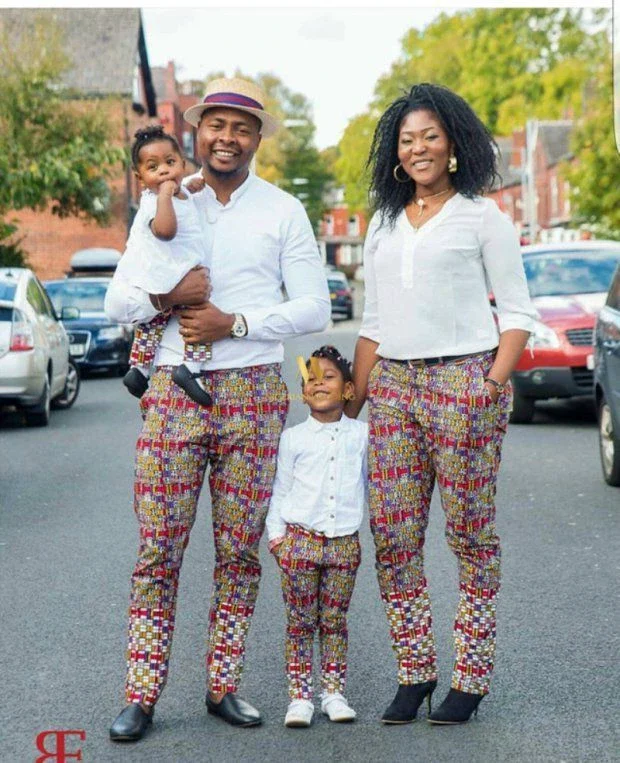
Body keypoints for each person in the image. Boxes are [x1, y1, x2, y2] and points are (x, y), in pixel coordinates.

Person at [105, 77, 331, 741]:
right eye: (216, 126)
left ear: (256, 138)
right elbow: (118, 301)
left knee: (239, 551)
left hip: (254, 393)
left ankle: (223, 684)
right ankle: (142, 693)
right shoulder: (161, 201)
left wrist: (234, 322)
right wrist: (167, 296)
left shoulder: (283, 210)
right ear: (196, 132)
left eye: (242, 128)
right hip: (175, 392)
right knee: (158, 549)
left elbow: (314, 306)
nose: (226, 138)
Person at [346, 83, 538, 726]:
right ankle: (414, 671)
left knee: (470, 537)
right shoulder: (382, 223)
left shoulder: (482, 218)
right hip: (394, 390)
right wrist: (354, 397)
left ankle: (471, 677)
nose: (419, 147)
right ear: (395, 156)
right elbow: (373, 319)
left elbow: (515, 312)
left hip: (465, 383)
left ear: (452, 145)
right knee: (395, 537)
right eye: (407, 140)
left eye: (430, 135)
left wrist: (491, 384)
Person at [266, 345, 367, 728]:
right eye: (311, 378)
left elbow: (371, 483)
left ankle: (334, 693)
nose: (319, 383)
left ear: (347, 390)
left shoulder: (362, 436)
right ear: (303, 390)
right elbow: (280, 488)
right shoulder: (292, 438)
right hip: (299, 542)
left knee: (335, 620)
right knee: (299, 622)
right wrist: (277, 539)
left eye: (330, 376)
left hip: (344, 543)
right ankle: (299, 698)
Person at [119, 125, 213, 406]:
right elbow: (166, 230)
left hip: (171, 274)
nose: (163, 171)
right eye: (153, 167)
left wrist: (188, 187)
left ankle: (139, 369)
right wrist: (164, 196)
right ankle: (191, 370)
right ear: (140, 178)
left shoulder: (179, 191)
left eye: (170, 163)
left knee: (154, 322)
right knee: (198, 318)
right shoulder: (152, 204)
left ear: (183, 164)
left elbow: (185, 197)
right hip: (178, 275)